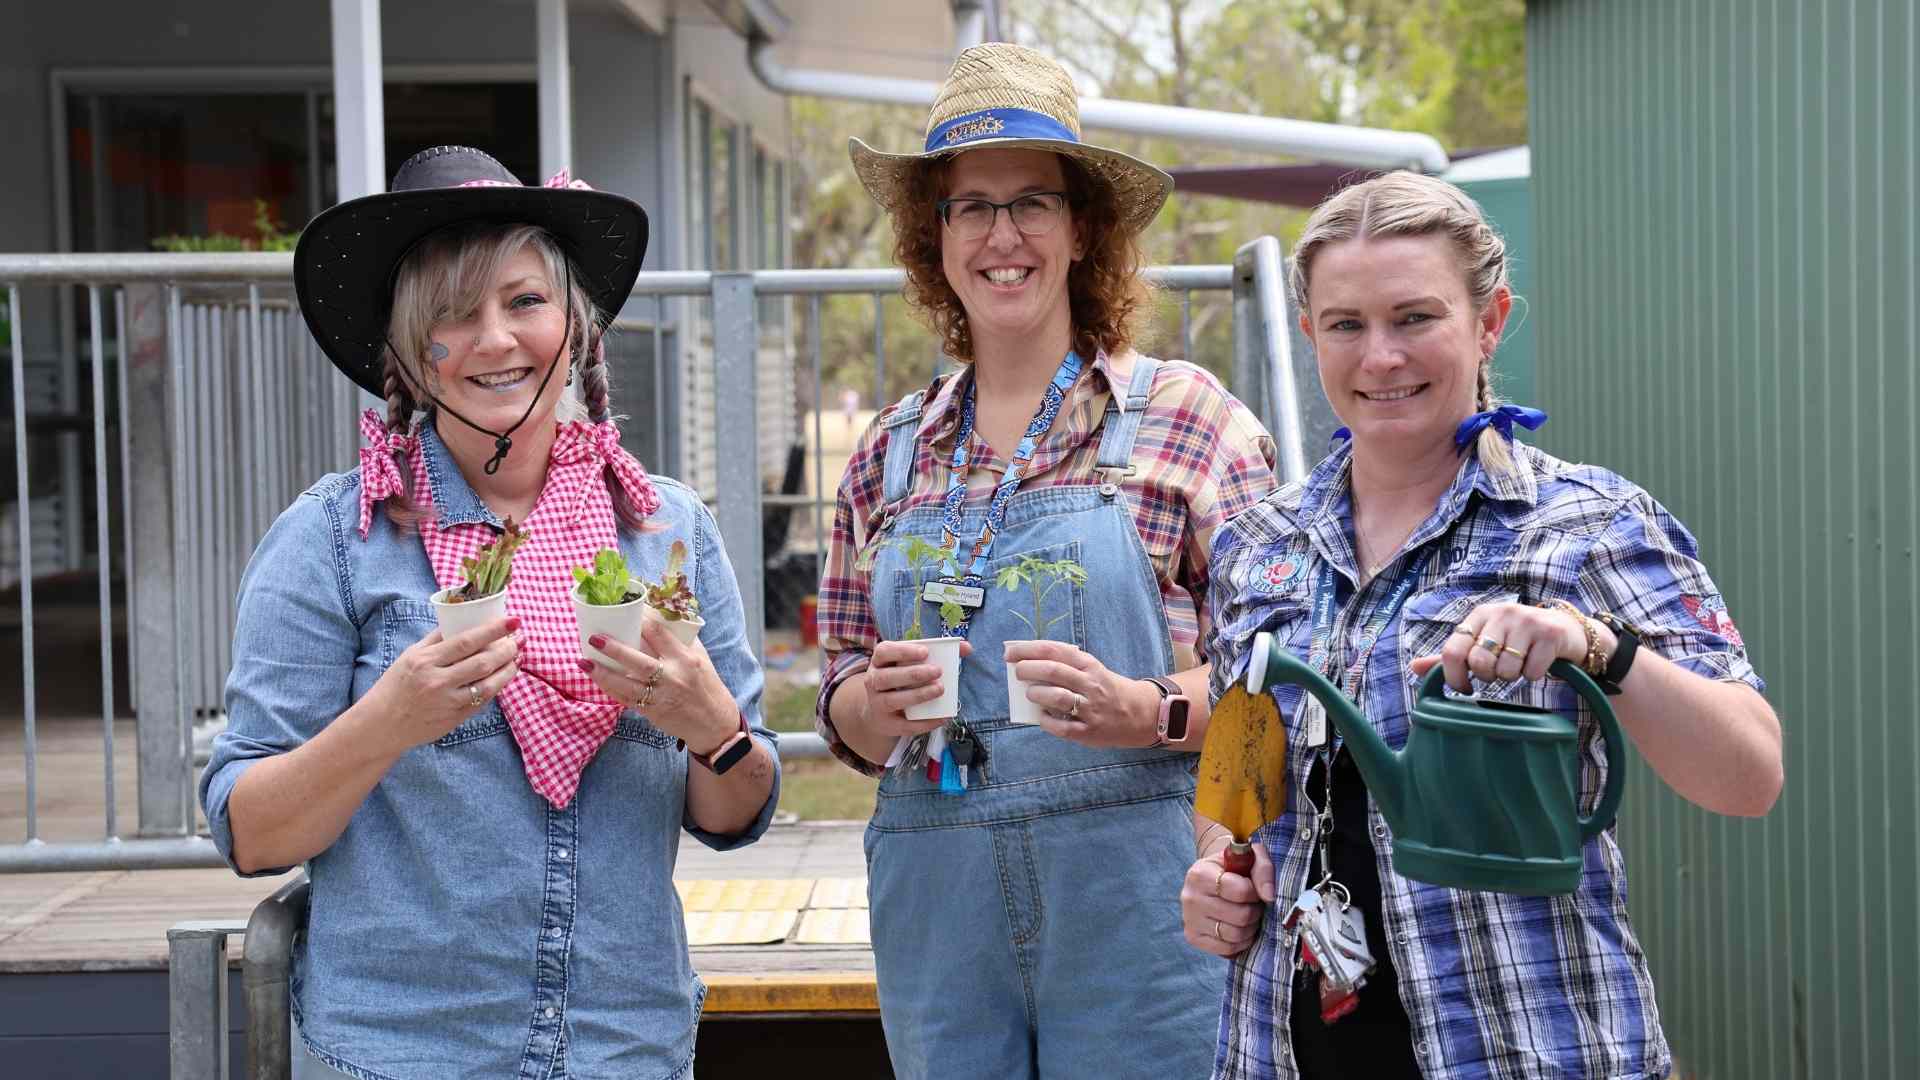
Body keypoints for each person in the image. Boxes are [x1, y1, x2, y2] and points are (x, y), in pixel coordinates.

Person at [1184, 170, 1783, 1079]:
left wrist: (1596, 646)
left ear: (1490, 320)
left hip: (1531, 1047)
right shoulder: (1257, 545)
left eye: (1415, 318)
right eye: (1347, 325)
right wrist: (1217, 870)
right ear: (1310, 334)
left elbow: (1750, 775)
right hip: (1284, 1046)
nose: (1380, 356)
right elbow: (1244, 778)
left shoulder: (1589, 523)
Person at [200, 146, 780, 1079]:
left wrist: (712, 728)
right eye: (452, 315)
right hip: (399, 1052)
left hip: (623, 1046)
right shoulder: (333, 541)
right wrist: (389, 721)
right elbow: (252, 833)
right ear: (405, 353)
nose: (496, 340)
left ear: (578, 329)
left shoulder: (666, 531)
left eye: (523, 302)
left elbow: (736, 814)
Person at [814, 44, 1278, 1079]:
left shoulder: (1191, 424)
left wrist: (1147, 709)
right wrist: (873, 708)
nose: (1002, 234)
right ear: (933, 239)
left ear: (1081, 230)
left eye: (1033, 201)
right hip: (937, 898)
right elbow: (839, 691)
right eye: (971, 207)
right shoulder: (888, 453)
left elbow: (1277, 683)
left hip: (1138, 901)